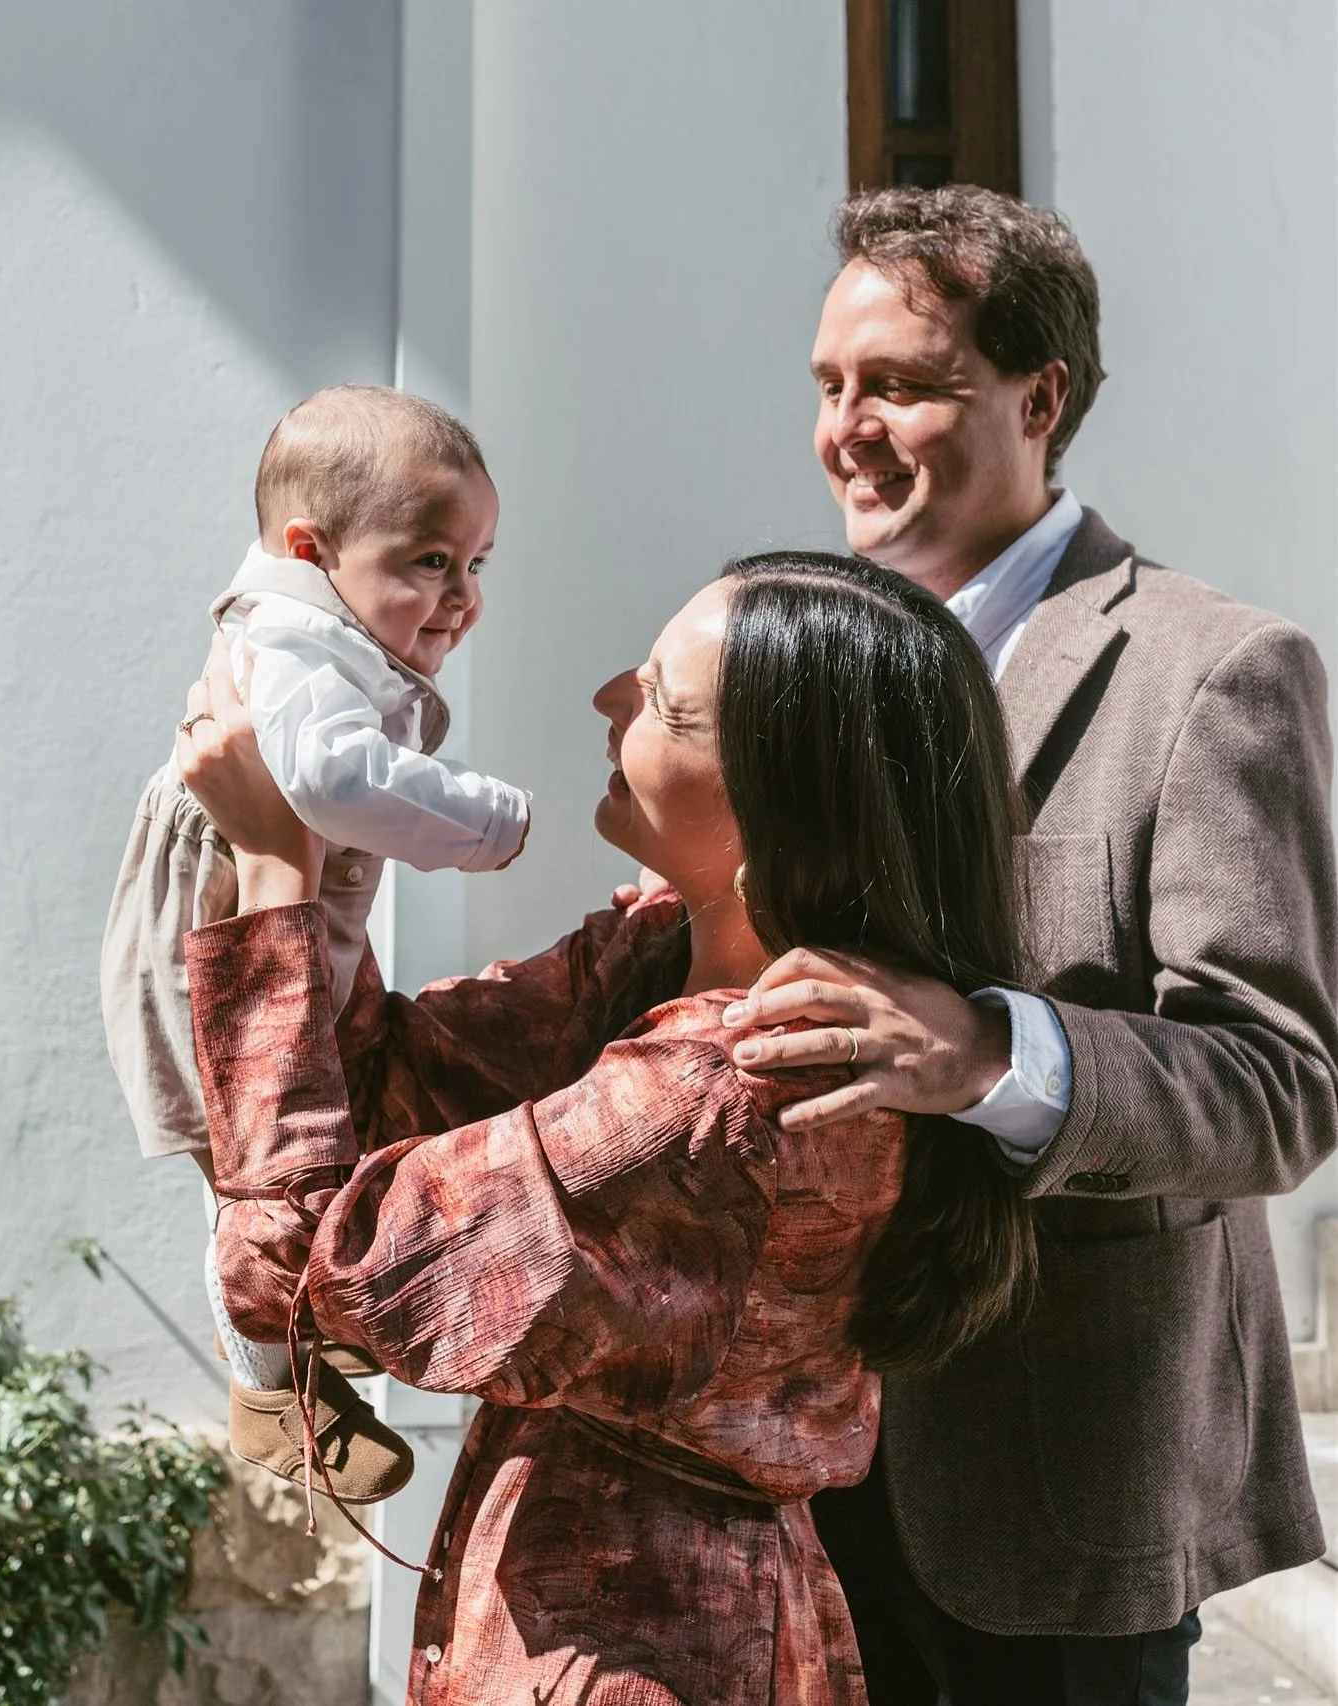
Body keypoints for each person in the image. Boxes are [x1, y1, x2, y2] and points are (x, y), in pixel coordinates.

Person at [176, 552, 1036, 1703]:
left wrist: (275, 867)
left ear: (779, 812)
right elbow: (388, 1082)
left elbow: (321, 1260)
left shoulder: (733, 1088)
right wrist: (334, 832)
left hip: (638, 1647)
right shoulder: (659, 950)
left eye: (666, 703)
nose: (609, 701)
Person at [719, 186, 1338, 1704]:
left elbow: (1279, 1087)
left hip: (1055, 1489)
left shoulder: (1214, 671)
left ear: (1038, 394)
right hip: (786, 1464)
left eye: (901, 385)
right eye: (828, 386)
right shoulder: (795, 655)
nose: (846, 429)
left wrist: (997, 1053)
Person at [100, 384, 530, 1503]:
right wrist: (485, 821)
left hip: (280, 911)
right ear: (312, 547)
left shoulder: (324, 630)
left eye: (477, 564)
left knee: (314, 1136)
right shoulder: (294, 639)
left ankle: (296, 1329)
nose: (460, 597)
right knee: (242, 1157)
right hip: (225, 922)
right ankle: (264, 1384)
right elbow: (331, 782)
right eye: (430, 561)